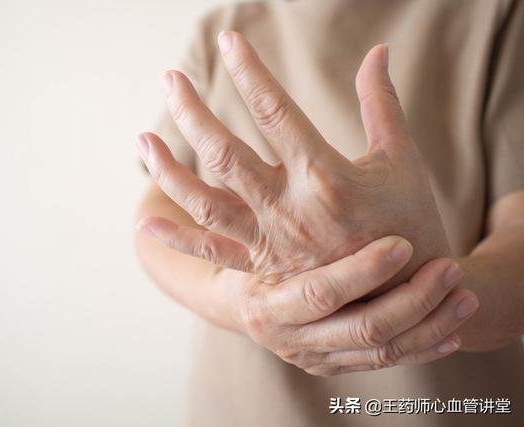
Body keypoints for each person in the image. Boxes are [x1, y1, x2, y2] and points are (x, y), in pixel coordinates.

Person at [134, 1, 524, 425]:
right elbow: (160, 215)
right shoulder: (224, 28)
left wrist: (424, 291)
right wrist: (234, 300)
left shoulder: (496, 15)